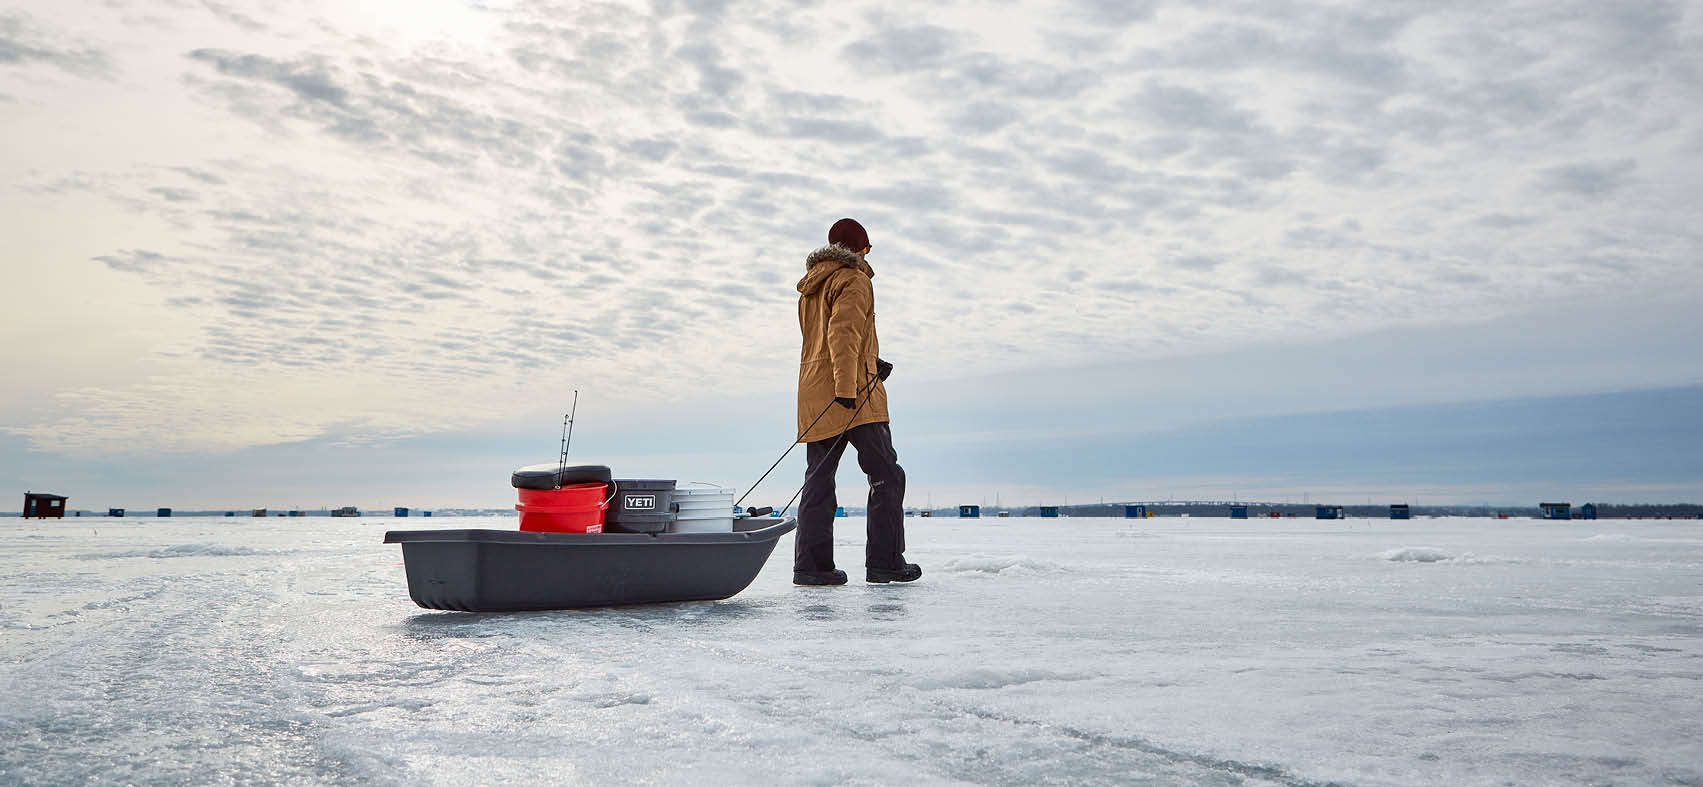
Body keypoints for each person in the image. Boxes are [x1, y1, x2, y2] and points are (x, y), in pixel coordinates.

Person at [792, 218, 922, 586]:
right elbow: (842, 334)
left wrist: (871, 363)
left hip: (814, 392)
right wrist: (848, 387)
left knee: (818, 480)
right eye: (866, 247)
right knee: (887, 476)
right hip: (852, 396)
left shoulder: (811, 287)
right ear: (858, 248)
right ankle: (885, 564)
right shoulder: (854, 279)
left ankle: (811, 567)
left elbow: (827, 341)